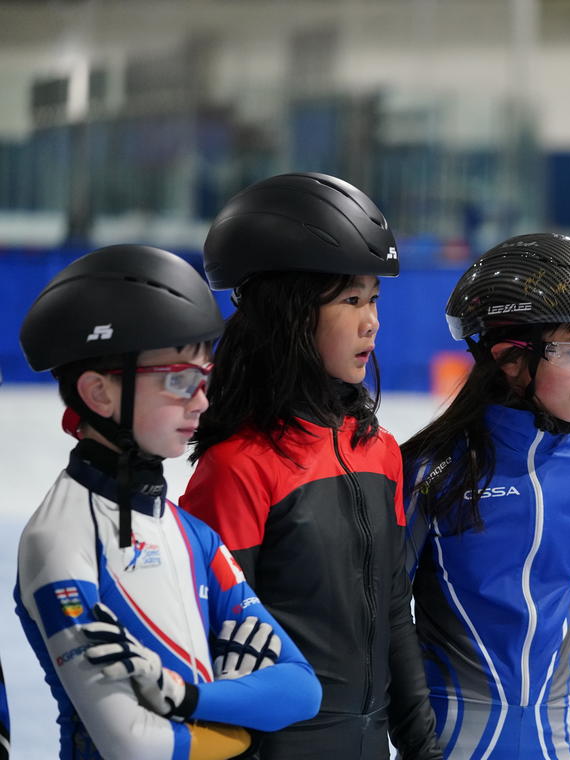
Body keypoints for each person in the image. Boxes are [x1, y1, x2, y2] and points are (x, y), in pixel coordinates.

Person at [15, 244, 322, 760]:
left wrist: (184, 696)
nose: (202, 400)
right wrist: (240, 727)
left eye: (205, 378)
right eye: (180, 379)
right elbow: (134, 744)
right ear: (99, 394)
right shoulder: (61, 539)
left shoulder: (190, 533)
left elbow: (301, 691)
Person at [180, 172, 442, 760]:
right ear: (289, 315)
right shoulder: (238, 467)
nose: (371, 320)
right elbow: (210, 646)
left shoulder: (378, 451)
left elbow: (396, 614)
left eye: (373, 298)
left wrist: (423, 745)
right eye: (350, 300)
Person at [401, 232, 570, 759]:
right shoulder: (430, 471)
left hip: (559, 736)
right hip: (451, 736)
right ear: (509, 357)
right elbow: (387, 613)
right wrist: (410, 729)